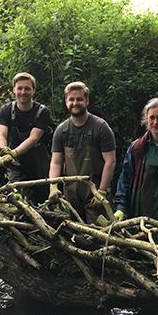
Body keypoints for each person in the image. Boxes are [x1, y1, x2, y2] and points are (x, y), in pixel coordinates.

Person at [48, 81, 116, 223]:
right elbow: (56, 162)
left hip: (95, 193)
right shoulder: (61, 130)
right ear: (66, 102)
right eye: (71, 99)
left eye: (79, 99)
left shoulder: (100, 127)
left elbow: (110, 161)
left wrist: (102, 191)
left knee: (100, 235)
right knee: (74, 233)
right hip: (71, 194)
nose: (75, 103)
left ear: (87, 100)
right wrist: (53, 186)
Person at [0, 72, 53, 203]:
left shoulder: (43, 112)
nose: (23, 92)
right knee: (20, 197)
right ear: (14, 90)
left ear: (33, 90)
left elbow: (34, 138)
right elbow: (0, 134)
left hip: (38, 164)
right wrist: (3, 151)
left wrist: (13, 152)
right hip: (15, 164)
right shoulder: (6, 110)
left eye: (27, 88)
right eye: (20, 88)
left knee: (42, 198)